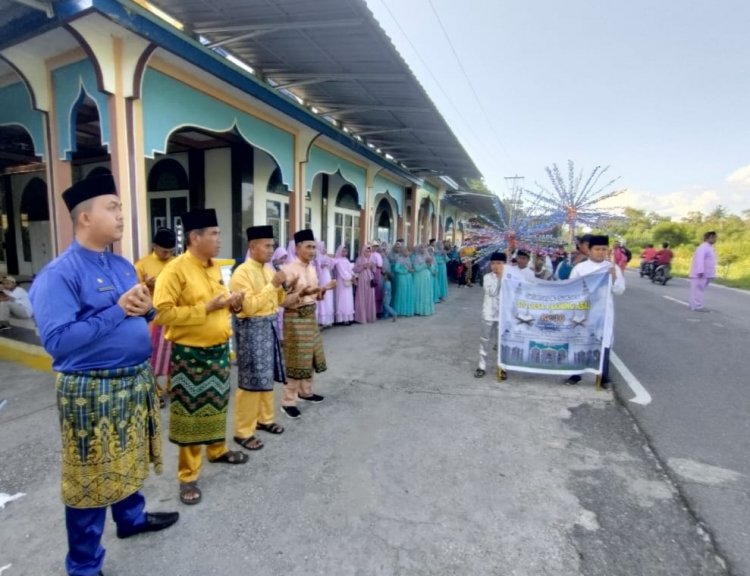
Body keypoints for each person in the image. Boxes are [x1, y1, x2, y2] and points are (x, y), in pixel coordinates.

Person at [29, 175, 178, 576]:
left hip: (132, 381)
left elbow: (139, 312)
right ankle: (83, 564)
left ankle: (131, 519)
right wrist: (119, 310)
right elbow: (58, 342)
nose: (121, 215)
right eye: (112, 207)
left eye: (121, 209)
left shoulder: (120, 263)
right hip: (90, 390)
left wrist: (144, 307)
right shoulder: (59, 274)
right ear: (84, 217)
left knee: (128, 459)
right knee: (90, 478)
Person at [153, 208, 248, 506]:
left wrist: (232, 303)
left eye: (218, 233)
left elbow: (218, 302)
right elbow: (162, 313)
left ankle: (217, 450)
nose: (220, 239)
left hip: (218, 350)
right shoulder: (176, 270)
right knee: (191, 417)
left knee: (217, 406)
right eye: (214, 234)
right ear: (195, 237)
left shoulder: (213, 267)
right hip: (190, 355)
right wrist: (205, 309)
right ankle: (187, 475)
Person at [231, 225, 296, 452]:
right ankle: (243, 431)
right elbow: (248, 307)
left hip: (268, 327)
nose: (271, 250)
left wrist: (285, 288)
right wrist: (273, 285)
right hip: (251, 330)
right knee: (250, 381)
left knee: (267, 375)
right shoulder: (242, 272)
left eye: (272, 245)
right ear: (253, 246)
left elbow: (276, 300)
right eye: (267, 245)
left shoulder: (269, 269)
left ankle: (265, 419)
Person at [280, 229, 336, 418]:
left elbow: (314, 296)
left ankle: (306, 392)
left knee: (311, 357)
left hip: (310, 317)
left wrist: (324, 290)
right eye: (309, 247)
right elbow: (282, 301)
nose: (313, 251)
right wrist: (301, 294)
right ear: (297, 248)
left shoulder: (312, 269)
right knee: (297, 360)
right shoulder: (288, 270)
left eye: (314, 247)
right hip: (295, 319)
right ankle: (288, 401)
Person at [564, 235, 625, 389]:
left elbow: (619, 290)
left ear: (607, 251)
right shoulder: (580, 268)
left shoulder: (612, 267)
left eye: (603, 249)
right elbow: (571, 288)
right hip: (583, 313)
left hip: (603, 313)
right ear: (589, 250)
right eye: (597, 249)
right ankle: (575, 375)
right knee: (580, 342)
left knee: (603, 342)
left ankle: (603, 377)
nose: (600, 252)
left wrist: (614, 277)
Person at [134, 227, 176, 407]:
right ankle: (155, 391)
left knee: (174, 355)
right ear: (154, 246)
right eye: (164, 251)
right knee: (152, 355)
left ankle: (174, 387)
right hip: (152, 317)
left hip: (174, 315)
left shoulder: (177, 263)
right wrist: (145, 284)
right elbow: (132, 291)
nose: (167, 254)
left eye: (170, 251)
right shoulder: (142, 265)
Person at [475, 252, 506, 380]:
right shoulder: (487, 277)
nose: (495, 266)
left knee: (502, 343)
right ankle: (481, 366)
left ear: (505, 265)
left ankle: (502, 368)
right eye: (493, 263)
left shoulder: (509, 278)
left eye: (499, 263)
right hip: (488, 314)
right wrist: (500, 278)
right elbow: (492, 292)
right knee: (484, 340)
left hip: (502, 315)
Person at [689, 231, 717, 312]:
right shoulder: (703, 247)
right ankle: (697, 306)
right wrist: (700, 271)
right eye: (712, 237)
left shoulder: (710, 247)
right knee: (698, 289)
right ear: (706, 238)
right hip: (700, 273)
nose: (714, 239)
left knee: (699, 289)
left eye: (715, 237)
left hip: (707, 273)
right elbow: (699, 259)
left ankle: (694, 304)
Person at [353, 244, 378, 324]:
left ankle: (369, 316)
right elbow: (355, 269)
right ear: (363, 251)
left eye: (369, 251)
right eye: (367, 251)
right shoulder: (359, 259)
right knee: (362, 296)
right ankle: (361, 317)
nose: (368, 253)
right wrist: (363, 267)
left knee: (370, 296)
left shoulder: (371, 259)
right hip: (362, 280)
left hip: (370, 279)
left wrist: (372, 266)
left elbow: (374, 270)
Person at [332, 244, 355, 325]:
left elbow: (349, 269)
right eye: (343, 251)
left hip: (348, 282)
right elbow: (343, 272)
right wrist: (350, 277)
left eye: (346, 251)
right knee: (342, 299)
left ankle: (348, 318)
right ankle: (341, 319)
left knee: (348, 299)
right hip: (342, 282)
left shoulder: (346, 260)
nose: (345, 252)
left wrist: (353, 275)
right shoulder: (338, 260)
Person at [314, 241, 335, 328]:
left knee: (328, 296)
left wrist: (328, 262)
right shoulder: (317, 256)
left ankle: (328, 320)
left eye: (325, 247)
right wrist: (321, 266)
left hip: (327, 276)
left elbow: (332, 265)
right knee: (323, 296)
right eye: (323, 246)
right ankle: (321, 320)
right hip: (321, 278)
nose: (324, 248)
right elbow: (316, 268)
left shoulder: (326, 256)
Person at [391, 244, 415, 317]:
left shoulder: (408, 258)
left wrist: (411, 270)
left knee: (408, 294)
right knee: (402, 294)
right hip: (402, 278)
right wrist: (406, 270)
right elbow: (396, 269)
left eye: (407, 251)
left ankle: (407, 311)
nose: (406, 252)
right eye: (405, 251)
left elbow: (411, 267)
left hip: (409, 278)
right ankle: (400, 311)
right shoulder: (399, 258)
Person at [412, 245, 435, 316]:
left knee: (426, 292)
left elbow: (432, 269)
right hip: (418, 277)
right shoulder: (416, 257)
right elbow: (416, 268)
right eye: (421, 248)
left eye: (424, 248)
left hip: (427, 278)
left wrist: (430, 265)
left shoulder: (428, 257)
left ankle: (426, 310)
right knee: (419, 292)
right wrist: (425, 264)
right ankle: (418, 310)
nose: (423, 250)